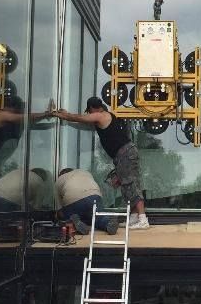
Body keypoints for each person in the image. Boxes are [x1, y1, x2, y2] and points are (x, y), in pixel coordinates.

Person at [55, 97, 149, 229]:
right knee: (126, 185)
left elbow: (80, 118)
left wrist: (65, 115)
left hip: (125, 153)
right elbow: (83, 122)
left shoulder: (101, 115)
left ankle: (142, 218)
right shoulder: (104, 117)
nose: (89, 115)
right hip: (122, 155)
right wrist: (67, 115)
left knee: (131, 183)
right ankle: (134, 217)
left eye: (89, 112)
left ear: (93, 109)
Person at [57, 167, 114, 235]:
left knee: (67, 214)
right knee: (96, 217)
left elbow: (59, 209)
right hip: (95, 195)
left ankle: (75, 222)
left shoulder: (59, 180)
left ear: (61, 175)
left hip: (74, 198)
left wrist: (59, 217)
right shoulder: (85, 172)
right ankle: (107, 223)